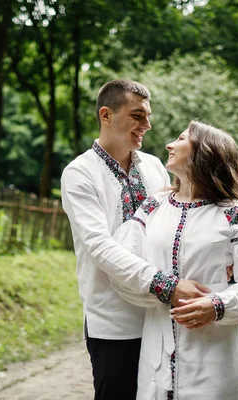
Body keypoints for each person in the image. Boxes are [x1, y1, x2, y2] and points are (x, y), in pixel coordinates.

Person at [61, 81, 211, 400]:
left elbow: (176, 226)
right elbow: (100, 248)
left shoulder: (155, 168)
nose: (147, 125)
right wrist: (168, 286)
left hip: (161, 319)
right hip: (114, 323)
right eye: (137, 116)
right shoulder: (79, 174)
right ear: (106, 115)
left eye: (148, 116)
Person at [110, 121, 238, 400]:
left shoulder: (233, 212)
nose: (169, 145)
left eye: (181, 138)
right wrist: (164, 286)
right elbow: (121, 264)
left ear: (204, 152)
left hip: (213, 354)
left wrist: (218, 305)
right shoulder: (154, 205)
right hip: (157, 353)